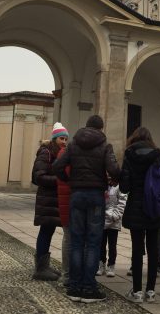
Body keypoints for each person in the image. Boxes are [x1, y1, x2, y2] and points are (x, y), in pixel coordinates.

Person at [53, 115, 120, 304]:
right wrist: (113, 180)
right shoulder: (105, 145)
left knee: (76, 241)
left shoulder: (73, 144)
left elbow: (58, 166)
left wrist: (69, 181)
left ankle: (74, 287)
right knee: (92, 242)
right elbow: (114, 169)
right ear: (101, 128)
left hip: (77, 195)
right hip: (96, 196)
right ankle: (89, 288)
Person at [120, 127, 160, 304]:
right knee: (153, 249)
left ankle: (137, 291)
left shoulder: (129, 154)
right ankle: (151, 291)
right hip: (153, 206)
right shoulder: (156, 154)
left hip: (136, 206)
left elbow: (124, 186)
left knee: (137, 250)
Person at [31, 122, 68, 281]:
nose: (64, 142)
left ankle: (43, 266)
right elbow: (38, 177)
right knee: (45, 231)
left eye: (66, 139)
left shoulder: (58, 153)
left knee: (48, 230)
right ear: (54, 139)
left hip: (52, 200)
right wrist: (59, 181)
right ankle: (40, 268)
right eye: (61, 138)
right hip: (47, 200)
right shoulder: (46, 153)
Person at [96, 175, 127, 277]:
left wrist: (115, 215)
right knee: (101, 244)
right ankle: (101, 264)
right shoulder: (102, 186)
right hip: (102, 220)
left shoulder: (119, 187)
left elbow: (122, 202)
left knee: (112, 245)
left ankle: (111, 265)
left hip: (114, 221)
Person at [55, 141, 71, 287]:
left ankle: (66, 275)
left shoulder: (62, 153)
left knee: (68, 238)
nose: (64, 141)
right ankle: (73, 275)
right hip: (74, 200)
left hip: (64, 201)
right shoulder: (74, 154)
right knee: (80, 241)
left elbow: (57, 168)